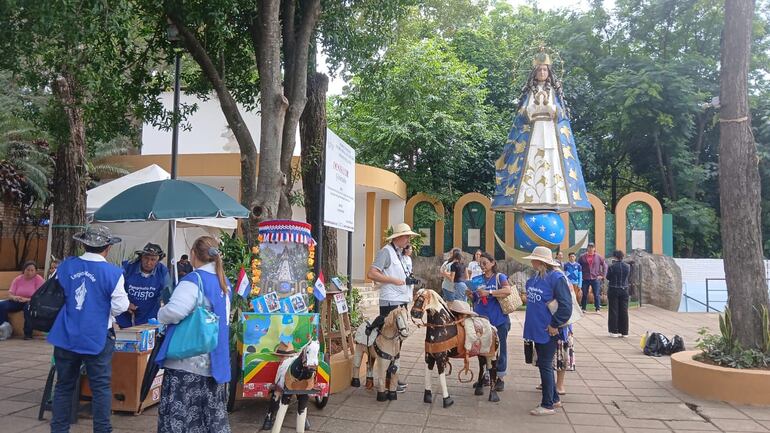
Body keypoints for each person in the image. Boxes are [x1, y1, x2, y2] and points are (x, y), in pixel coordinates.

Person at [48, 226, 129, 433]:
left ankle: (59, 430)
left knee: (64, 385)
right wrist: (102, 309)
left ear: (84, 244)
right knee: (100, 388)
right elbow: (121, 306)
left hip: (66, 334)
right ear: (108, 247)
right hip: (98, 336)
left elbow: (54, 293)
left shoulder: (66, 266)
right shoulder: (113, 272)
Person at [156, 236, 232, 433]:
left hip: (187, 361)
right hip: (214, 361)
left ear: (193, 254)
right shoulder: (223, 282)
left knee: (182, 419)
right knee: (208, 419)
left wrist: (160, 314)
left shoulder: (194, 280)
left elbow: (175, 311)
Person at [367, 222, 419, 393]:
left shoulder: (400, 254)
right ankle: (387, 378)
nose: (409, 239)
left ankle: (393, 376)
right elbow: (372, 273)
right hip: (390, 301)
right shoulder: (386, 252)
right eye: (407, 236)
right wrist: (392, 280)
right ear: (398, 237)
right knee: (388, 340)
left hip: (401, 300)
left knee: (398, 340)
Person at [523, 246, 572, 416]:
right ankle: (555, 398)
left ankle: (547, 405)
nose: (531, 261)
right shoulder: (537, 276)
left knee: (545, 364)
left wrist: (554, 324)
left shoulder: (556, 277)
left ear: (541, 262)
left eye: (534, 259)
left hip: (548, 329)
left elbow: (566, 306)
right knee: (543, 363)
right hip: (537, 327)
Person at [468, 252, 512, 392]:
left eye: (485, 263)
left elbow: (507, 290)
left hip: (498, 320)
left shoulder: (500, 277)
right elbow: (476, 298)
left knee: (500, 349)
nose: (483, 266)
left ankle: (500, 377)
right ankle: (485, 375)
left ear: (493, 263)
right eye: (480, 264)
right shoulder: (477, 279)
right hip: (481, 320)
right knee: (482, 348)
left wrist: (490, 293)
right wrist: (471, 295)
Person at [115, 243, 171, 328]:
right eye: (146, 258)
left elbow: (168, 296)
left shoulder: (163, 272)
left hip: (149, 321)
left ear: (158, 260)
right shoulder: (128, 267)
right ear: (141, 257)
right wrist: (124, 304)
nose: (148, 263)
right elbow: (115, 288)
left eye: (153, 260)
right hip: (124, 320)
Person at [0, 261, 45, 340]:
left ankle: (28, 333)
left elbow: (40, 297)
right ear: (24, 270)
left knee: (27, 309)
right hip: (17, 301)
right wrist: (14, 297)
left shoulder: (39, 279)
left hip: (31, 302)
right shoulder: (18, 279)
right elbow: (10, 294)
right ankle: (5, 328)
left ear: (35, 271)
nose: (29, 272)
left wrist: (27, 299)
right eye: (28, 270)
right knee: (2, 305)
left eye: (32, 270)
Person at [606, 250, 631, 338]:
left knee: (614, 310)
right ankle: (625, 332)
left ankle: (614, 331)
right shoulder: (627, 266)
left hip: (613, 289)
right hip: (624, 289)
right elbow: (628, 277)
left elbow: (608, 277)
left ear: (615, 257)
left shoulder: (612, 266)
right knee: (624, 311)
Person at [577, 242, 607, 313]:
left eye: (592, 247)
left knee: (596, 294)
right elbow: (578, 266)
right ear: (587, 248)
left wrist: (603, 275)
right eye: (589, 247)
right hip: (585, 278)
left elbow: (605, 266)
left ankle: (597, 308)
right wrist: (580, 276)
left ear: (594, 248)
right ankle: (584, 308)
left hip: (595, 278)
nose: (590, 249)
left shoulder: (598, 257)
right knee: (584, 293)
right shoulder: (582, 257)